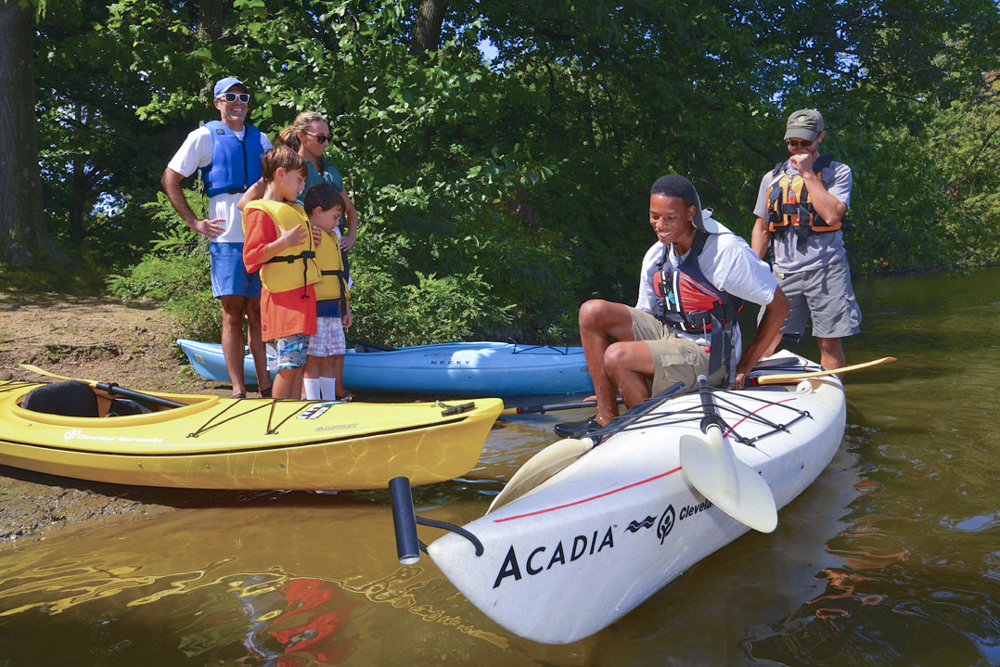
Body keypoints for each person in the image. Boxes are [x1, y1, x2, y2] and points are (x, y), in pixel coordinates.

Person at [568, 175, 789, 436]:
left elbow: (779, 306)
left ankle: (648, 432)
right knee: (592, 312)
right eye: (654, 216)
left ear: (690, 213)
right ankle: (606, 416)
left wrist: (746, 365)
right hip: (670, 335)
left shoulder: (725, 252)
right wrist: (612, 383)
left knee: (617, 356)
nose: (660, 225)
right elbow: (644, 314)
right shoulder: (657, 254)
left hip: (711, 353)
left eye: (670, 218)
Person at [162, 76, 274, 399]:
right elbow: (170, 177)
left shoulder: (261, 139)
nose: (239, 104)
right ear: (218, 103)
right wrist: (194, 221)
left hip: (259, 235)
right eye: (231, 97)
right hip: (226, 239)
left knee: (258, 313)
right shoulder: (204, 136)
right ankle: (238, 389)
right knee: (233, 313)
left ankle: (265, 386)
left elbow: (277, 182)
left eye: (244, 97)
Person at [751, 109, 862, 373]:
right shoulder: (771, 178)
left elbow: (832, 214)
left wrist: (808, 173)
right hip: (783, 272)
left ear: (820, 137)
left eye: (805, 142)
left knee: (828, 342)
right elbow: (762, 227)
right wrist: (753, 267)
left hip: (827, 269)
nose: (798, 148)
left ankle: (832, 389)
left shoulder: (838, 172)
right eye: (793, 142)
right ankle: (755, 384)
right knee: (766, 339)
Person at [239, 111, 359, 286]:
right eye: (320, 138)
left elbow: (349, 209)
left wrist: (351, 236)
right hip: (305, 244)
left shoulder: (328, 171)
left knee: (338, 294)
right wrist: (287, 230)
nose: (326, 143)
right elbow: (245, 203)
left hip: (333, 241)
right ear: (301, 135)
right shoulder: (286, 167)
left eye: (328, 138)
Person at [242, 146, 321, 399]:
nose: (302, 187)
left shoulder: (295, 209)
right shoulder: (260, 212)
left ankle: (293, 412)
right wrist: (284, 242)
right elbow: (251, 258)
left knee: (298, 364)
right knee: (288, 365)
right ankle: (276, 414)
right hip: (283, 299)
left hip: (303, 295)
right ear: (280, 174)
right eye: (299, 180)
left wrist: (312, 237)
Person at [301, 183, 353, 401]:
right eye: (335, 217)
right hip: (315, 308)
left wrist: (345, 306)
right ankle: (312, 402)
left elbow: (340, 276)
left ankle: (330, 401)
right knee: (314, 358)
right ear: (319, 211)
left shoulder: (332, 238)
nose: (337, 223)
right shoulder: (308, 235)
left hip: (333, 308)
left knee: (331, 356)